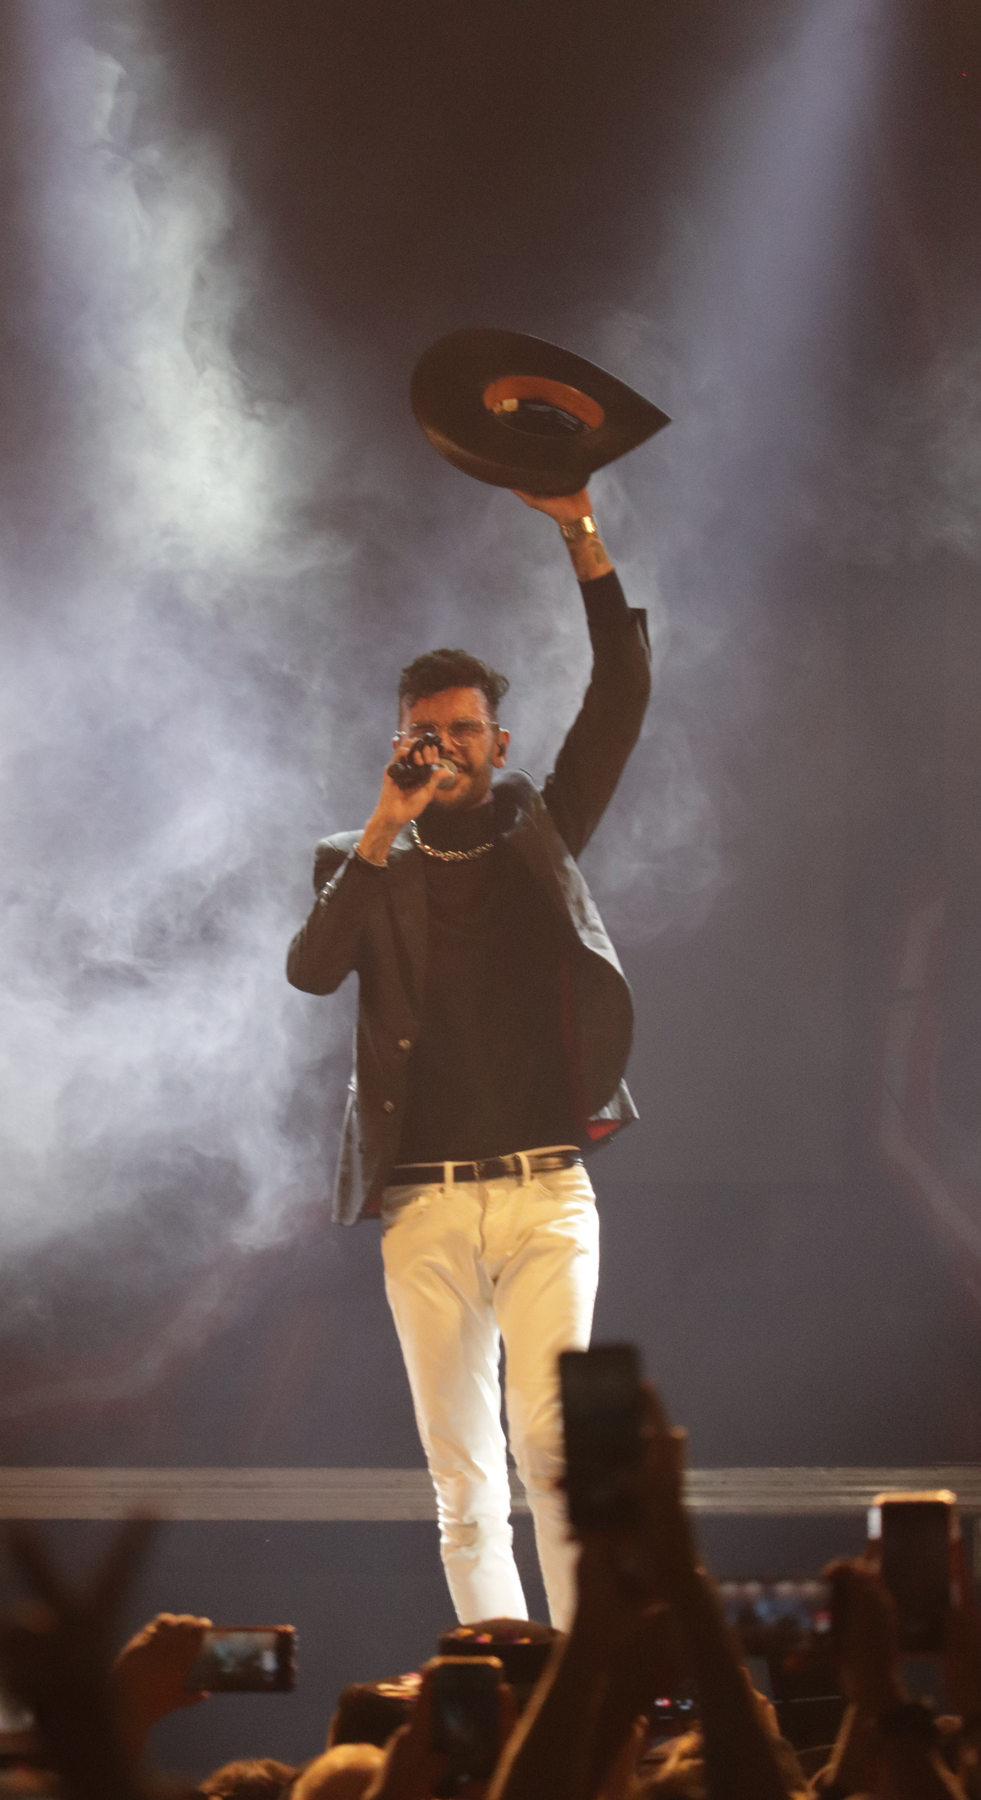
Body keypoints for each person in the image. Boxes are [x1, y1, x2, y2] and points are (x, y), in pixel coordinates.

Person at [287, 485, 651, 1627]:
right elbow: (312, 969)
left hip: (548, 1192)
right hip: (426, 1203)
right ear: (400, 743)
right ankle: (508, 1691)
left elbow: (623, 690)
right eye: (423, 732)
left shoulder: (545, 829)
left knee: (559, 1451)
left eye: (462, 730)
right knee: (464, 1482)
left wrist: (580, 530)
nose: (443, 747)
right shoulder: (359, 857)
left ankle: (588, 1688)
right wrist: (383, 827)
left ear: (500, 742)